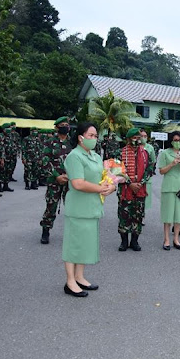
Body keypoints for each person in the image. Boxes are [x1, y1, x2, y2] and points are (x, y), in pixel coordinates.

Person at [62, 122, 115, 297]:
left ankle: (79, 276)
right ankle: (70, 282)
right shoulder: (74, 156)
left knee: (85, 243)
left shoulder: (96, 156)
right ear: (80, 137)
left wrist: (111, 186)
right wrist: (101, 189)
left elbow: (103, 177)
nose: (94, 139)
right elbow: (77, 183)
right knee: (73, 244)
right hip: (78, 208)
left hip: (92, 207)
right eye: (91, 135)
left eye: (95, 136)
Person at [117, 128, 155, 251]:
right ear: (128, 139)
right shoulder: (120, 152)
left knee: (138, 216)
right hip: (125, 190)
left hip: (140, 189)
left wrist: (140, 182)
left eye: (139, 138)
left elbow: (150, 169)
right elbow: (116, 171)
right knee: (124, 216)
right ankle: (124, 242)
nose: (138, 140)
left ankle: (134, 242)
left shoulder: (145, 153)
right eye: (135, 138)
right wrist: (130, 183)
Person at [40, 117, 72, 245]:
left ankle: (72, 234)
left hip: (70, 181)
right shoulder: (49, 142)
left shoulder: (73, 143)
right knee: (51, 206)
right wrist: (57, 175)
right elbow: (44, 161)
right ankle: (45, 231)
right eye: (62, 125)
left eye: (67, 124)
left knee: (71, 208)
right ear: (57, 128)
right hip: (54, 180)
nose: (65, 127)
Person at [159, 131, 180, 250]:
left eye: (179, 140)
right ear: (171, 141)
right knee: (168, 214)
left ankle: (176, 239)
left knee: (179, 214)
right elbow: (161, 171)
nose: (177, 142)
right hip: (168, 187)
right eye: (175, 140)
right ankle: (166, 239)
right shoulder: (165, 153)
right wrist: (172, 164)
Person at [140, 129, 157, 215]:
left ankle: (142, 215)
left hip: (146, 176)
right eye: (141, 136)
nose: (143, 138)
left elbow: (153, 161)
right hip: (136, 176)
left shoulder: (150, 148)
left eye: (145, 136)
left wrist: (149, 171)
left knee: (145, 196)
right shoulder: (135, 146)